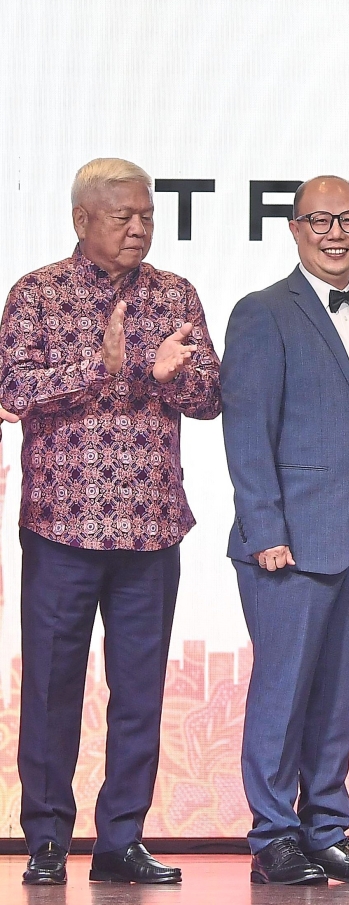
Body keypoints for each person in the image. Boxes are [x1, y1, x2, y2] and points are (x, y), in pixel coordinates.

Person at [0, 158, 221, 885]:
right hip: (62, 527)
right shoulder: (37, 294)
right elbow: (13, 387)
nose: (138, 227)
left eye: (147, 215)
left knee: (140, 692)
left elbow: (211, 394)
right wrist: (106, 365)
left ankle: (122, 837)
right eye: (123, 215)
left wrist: (167, 374)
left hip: (152, 529)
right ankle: (46, 839)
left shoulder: (174, 293)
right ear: (81, 219)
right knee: (53, 688)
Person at [220, 176, 349, 885]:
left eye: (348, 219)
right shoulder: (263, 312)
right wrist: (266, 527)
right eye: (319, 220)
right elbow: (246, 430)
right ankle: (273, 835)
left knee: (337, 698)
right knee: (282, 693)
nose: (335, 232)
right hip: (287, 544)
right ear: (294, 228)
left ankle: (327, 829)